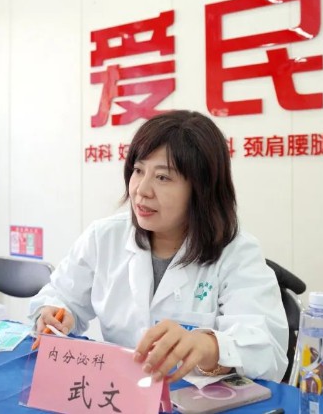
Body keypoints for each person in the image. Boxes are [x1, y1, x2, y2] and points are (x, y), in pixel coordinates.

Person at [30, 110, 289, 383]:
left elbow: (268, 350)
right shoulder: (103, 237)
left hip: (195, 397)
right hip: (117, 391)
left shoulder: (237, 252)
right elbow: (60, 296)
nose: (141, 190)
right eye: (138, 171)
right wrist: (55, 314)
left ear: (201, 189)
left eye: (163, 177)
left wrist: (208, 346)